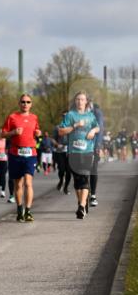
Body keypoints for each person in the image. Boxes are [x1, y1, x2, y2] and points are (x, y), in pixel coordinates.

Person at [58, 91, 101, 219]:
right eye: (77, 99)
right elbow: (61, 131)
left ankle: (81, 207)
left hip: (87, 151)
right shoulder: (70, 115)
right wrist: (75, 125)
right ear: (75, 101)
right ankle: (82, 201)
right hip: (73, 152)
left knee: (85, 177)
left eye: (82, 99)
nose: (80, 102)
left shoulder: (90, 116)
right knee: (77, 181)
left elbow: (97, 127)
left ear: (86, 101)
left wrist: (93, 130)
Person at [1, 93, 41, 223]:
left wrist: (38, 133)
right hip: (15, 153)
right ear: (19, 104)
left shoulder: (34, 117)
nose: (25, 104)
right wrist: (13, 132)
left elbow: (37, 131)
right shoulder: (12, 117)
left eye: (28, 102)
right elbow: (2, 134)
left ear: (31, 104)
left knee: (28, 183)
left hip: (30, 153)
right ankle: (19, 210)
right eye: (23, 102)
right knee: (18, 184)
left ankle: (28, 211)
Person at [89, 102, 105, 207]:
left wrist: (98, 146)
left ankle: (93, 195)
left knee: (93, 169)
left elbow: (100, 129)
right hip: (79, 147)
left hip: (93, 146)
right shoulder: (75, 112)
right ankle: (84, 195)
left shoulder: (96, 112)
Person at [53, 117, 70, 193]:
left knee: (69, 171)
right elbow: (53, 139)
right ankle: (61, 181)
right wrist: (57, 144)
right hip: (60, 151)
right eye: (64, 116)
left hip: (70, 152)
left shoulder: (72, 127)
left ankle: (66, 187)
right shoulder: (57, 127)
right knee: (61, 170)